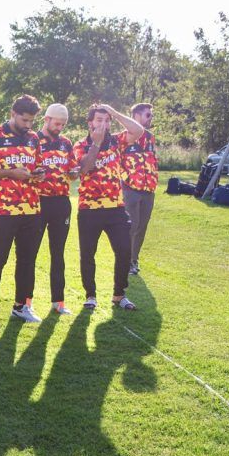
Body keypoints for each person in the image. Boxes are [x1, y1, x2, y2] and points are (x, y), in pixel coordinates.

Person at [0, 95, 44, 328]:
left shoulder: (33, 138)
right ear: (13, 113)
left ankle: (20, 307)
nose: (28, 125)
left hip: (31, 209)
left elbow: (37, 165)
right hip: (4, 210)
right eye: (24, 120)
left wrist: (38, 173)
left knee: (27, 260)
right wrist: (11, 173)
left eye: (32, 121)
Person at [72, 103, 145, 311]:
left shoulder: (116, 142)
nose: (103, 124)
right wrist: (95, 144)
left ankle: (119, 295)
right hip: (89, 209)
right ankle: (90, 296)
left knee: (124, 251)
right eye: (99, 120)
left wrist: (114, 112)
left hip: (115, 208)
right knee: (88, 254)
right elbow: (84, 169)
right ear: (90, 123)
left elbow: (138, 131)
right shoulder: (80, 145)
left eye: (106, 120)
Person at [34, 103, 79, 315]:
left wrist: (74, 172)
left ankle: (58, 302)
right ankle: (25, 302)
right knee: (30, 253)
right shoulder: (33, 140)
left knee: (58, 253)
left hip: (61, 203)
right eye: (56, 123)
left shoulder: (66, 143)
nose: (59, 127)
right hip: (38, 202)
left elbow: (71, 170)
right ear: (46, 119)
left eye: (63, 124)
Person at [120, 103, 158, 275]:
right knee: (131, 226)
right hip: (130, 189)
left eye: (151, 115)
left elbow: (152, 160)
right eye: (147, 115)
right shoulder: (123, 138)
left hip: (148, 189)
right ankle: (125, 261)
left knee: (142, 226)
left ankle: (134, 260)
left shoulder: (150, 138)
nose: (150, 118)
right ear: (136, 115)